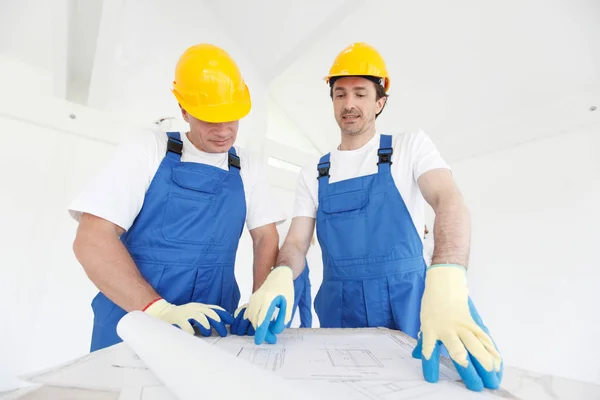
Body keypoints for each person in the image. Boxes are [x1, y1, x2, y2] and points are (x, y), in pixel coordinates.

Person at [244, 42, 503, 392]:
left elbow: (449, 199)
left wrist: (449, 275)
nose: (349, 104)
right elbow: (295, 242)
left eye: (361, 94)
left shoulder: (408, 147)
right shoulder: (314, 172)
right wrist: (281, 274)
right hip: (342, 307)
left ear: (380, 102)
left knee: (433, 387)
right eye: (340, 94)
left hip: (412, 300)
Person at [70, 43, 285, 352]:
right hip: (133, 317)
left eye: (233, 117)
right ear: (184, 110)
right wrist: (157, 310)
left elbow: (266, 235)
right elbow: (91, 239)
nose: (225, 131)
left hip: (211, 321)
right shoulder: (148, 148)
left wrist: (260, 298)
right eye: (211, 118)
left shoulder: (247, 165)